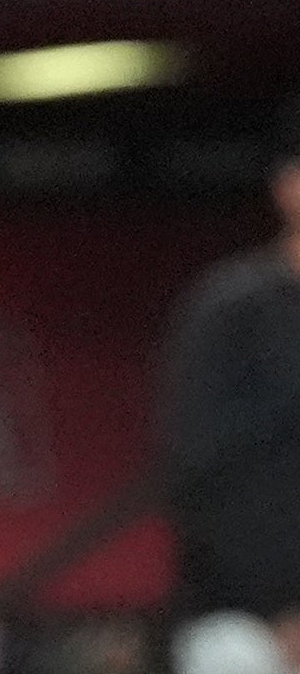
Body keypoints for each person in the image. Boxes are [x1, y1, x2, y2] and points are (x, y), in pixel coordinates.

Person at [160, 97, 300, 647]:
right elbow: (202, 477)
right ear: (289, 185)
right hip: (242, 617)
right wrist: (284, 609)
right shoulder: (233, 309)